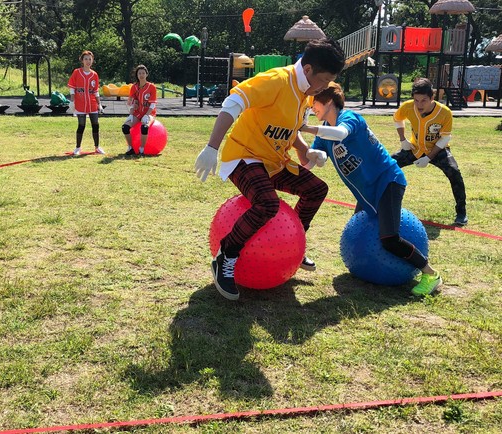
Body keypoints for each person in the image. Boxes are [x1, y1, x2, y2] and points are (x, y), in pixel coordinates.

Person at [194, 38, 346, 301]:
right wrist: (211, 147)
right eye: (322, 81)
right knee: (267, 204)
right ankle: (226, 256)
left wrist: (305, 149)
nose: (323, 88)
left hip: (273, 162)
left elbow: (290, 129)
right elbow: (233, 103)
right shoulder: (276, 80)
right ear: (308, 70)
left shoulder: (306, 93)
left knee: (317, 190)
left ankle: (293, 249)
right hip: (244, 156)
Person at [300, 82, 442, 296]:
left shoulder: (350, 118)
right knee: (360, 233)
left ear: (329, 102)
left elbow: (340, 133)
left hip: (388, 181)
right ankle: (363, 267)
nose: (312, 108)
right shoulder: (323, 137)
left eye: (314, 103)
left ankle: (431, 273)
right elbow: (311, 162)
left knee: (389, 239)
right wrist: (310, 153)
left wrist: (306, 128)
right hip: (366, 193)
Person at [392, 77, 468, 226]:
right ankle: (378, 204)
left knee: (454, 172)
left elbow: (445, 138)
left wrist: (428, 157)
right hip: (415, 148)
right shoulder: (408, 107)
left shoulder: (444, 112)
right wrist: (403, 139)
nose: (419, 105)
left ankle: (461, 212)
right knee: (386, 166)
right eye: (416, 100)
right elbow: (397, 119)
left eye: (424, 100)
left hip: (438, 149)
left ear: (432, 97)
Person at [67, 50, 105, 156]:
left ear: (92, 60)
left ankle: (97, 147)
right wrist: (73, 101)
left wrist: (99, 104)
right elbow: (72, 88)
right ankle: (78, 148)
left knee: (95, 125)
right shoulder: (77, 72)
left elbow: (96, 90)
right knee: (81, 125)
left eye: (90, 59)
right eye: (86, 59)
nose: (88, 61)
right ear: (82, 60)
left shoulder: (94, 75)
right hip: (80, 103)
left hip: (92, 103)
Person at [121, 65, 157, 156]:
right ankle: (130, 148)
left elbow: (153, 104)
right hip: (138, 113)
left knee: (144, 127)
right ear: (137, 75)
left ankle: (142, 149)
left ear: (147, 74)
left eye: (143, 73)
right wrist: (131, 113)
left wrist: (147, 115)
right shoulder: (134, 87)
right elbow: (132, 102)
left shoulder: (152, 87)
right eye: (139, 73)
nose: (141, 75)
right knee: (125, 127)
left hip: (149, 113)